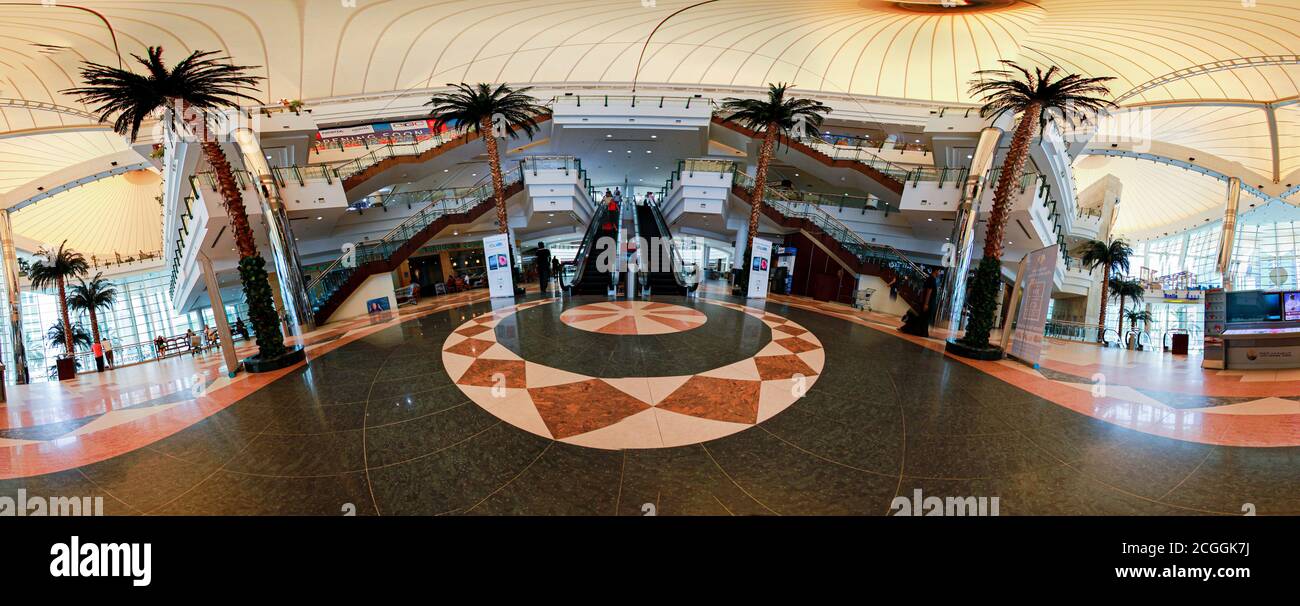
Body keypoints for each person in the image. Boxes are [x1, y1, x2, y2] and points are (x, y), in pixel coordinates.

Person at [899, 267, 942, 338]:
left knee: (922, 318)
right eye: (939, 271)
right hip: (929, 303)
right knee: (924, 319)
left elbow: (924, 290)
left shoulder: (930, 279)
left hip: (927, 302)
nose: (940, 273)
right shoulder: (932, 279)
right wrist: (926, 304)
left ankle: (917, 331)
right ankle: (920, 332)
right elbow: (929, 292)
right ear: (936, 271)